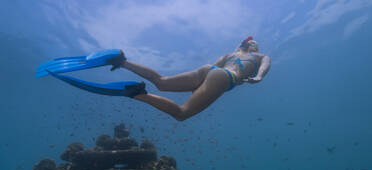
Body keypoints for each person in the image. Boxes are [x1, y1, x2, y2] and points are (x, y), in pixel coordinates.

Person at [109, 36, 271, 121]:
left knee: (162, 82)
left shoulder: (231, 54)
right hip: (226, 76)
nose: (254, 45)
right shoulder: (259, 56)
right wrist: (258, 76)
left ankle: (122, 61)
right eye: (254, 44)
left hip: (210, 70)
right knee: (181, 113)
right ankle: (138, 94)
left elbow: (213, 69)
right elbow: (265, 65)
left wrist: (199, 87)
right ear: (253, 48)